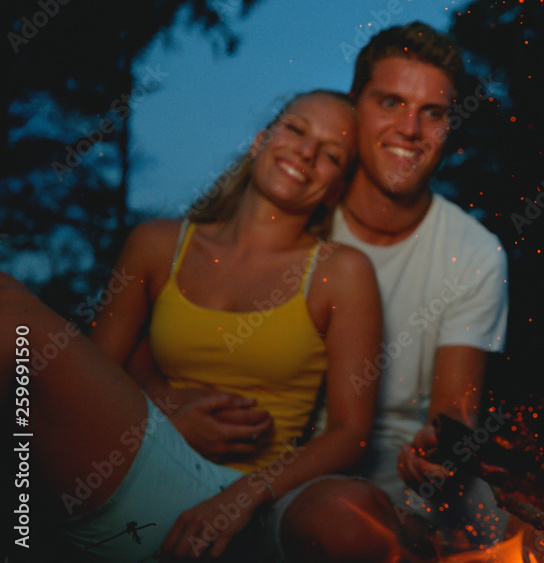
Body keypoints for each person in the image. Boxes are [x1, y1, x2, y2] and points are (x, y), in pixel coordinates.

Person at [6, 89, 385, 561]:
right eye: (296, 129)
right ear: (260, 140)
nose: (306, 153)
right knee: (9, 311)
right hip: (138, 464)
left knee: (351, 515)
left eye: (330, 155)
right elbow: (91, 373)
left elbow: (351, 433)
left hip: (256, 494)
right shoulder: (157, 245)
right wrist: (162, 408)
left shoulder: (341, 272)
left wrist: (241, 497)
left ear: (335, 187)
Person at [275, 22, 510, 560]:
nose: (411, 129)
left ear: (450, 128)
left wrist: (441, 454)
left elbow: (455, 409)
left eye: (433, 113)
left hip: (405, 469)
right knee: (345, 521)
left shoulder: (474, 250)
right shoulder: (300, 215)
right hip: (300, 462)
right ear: (355, 108)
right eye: (391, 102)